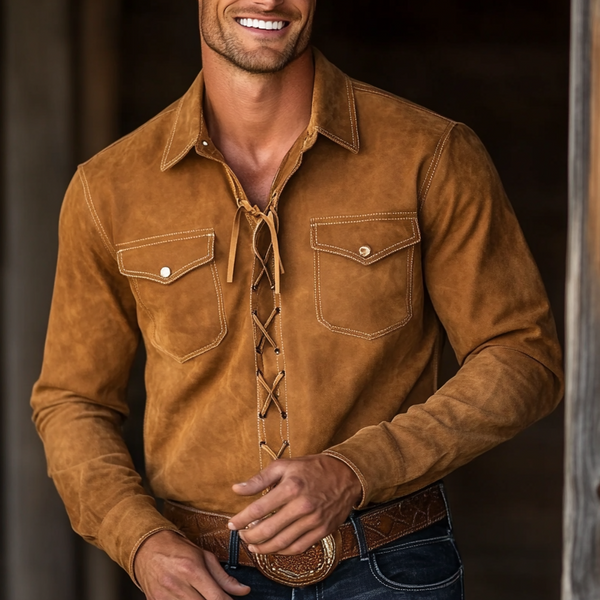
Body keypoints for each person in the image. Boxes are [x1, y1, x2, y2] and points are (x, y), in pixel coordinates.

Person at [31, 0, 564, 598]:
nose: (267, 1)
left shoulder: (432, 155)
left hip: (391, 569)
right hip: (200, 577)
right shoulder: (107, 189)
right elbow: (73, 402)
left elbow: (523, 356)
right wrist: (141, 543)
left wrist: (357, 470)